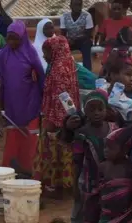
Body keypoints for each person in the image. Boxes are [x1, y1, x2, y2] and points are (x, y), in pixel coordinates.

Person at [54, 89, 117, 223]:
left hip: (109, 183)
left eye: (100, 109)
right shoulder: (81, 133)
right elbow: (77, 161)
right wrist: (75, 185)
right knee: (80, 216)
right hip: (87, 182)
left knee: (103, 217)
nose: (96, 113)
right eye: (91, 109)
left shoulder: (114, 129)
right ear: (85, 112)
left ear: (107, 110)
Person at [34, 35, 79, 198]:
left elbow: (61, 97)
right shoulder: (68, 63)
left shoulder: (59, 69)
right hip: (67, 119)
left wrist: (54, 124)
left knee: (53, 151)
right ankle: (63, 185)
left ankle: (56, 186)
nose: (44, 56)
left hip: (57, 120)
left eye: (46, 52)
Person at [0, 20, 45, 177]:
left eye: (15, 38)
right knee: (13, 135)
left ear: (23, 38)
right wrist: (0, 101)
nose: (11, 42)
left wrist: (42, 98)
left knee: (29, 136)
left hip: (29, 102)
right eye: (9, 38)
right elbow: (1, 79)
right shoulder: (3, 54)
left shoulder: (30, 52)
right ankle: (11, 170)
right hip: (11, 103)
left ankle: (28, 171)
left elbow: (40, 76)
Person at [96, 0, 132, 66]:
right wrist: (109, 42)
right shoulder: (106, 22)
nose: (116, 11)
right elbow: (101, 42)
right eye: (114, 9)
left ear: (122, 10)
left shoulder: (129, 21)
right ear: (111, 10)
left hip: (124, 57)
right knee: (102, 74)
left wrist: (121, 41)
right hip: (108, 57)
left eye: (119, 9)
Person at [60, 0, 95, 70]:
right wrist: (68, 40)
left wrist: (74, 39)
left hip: (83, 41)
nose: (78, 7)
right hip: (70, 41)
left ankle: (87, 72)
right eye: (75, 5)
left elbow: (88, 34)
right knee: (61, 47)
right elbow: (63, 34)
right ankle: (64, 70)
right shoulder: (64, 16)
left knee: (87, 47)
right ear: (70, 6)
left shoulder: (87, 16)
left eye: (79, 5)